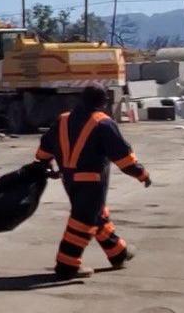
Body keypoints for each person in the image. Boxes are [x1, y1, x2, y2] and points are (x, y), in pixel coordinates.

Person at [35, 85, 151, 279]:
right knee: (83, 222)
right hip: (92, 181)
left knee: (95, 215)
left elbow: (45, 146)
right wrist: (141, 174)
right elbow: (123, 156)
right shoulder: (103, 123)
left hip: (70, 180)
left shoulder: (63, 119)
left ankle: (118, 253)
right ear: (103, 102)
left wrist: (43, 164)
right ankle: (67, 265)